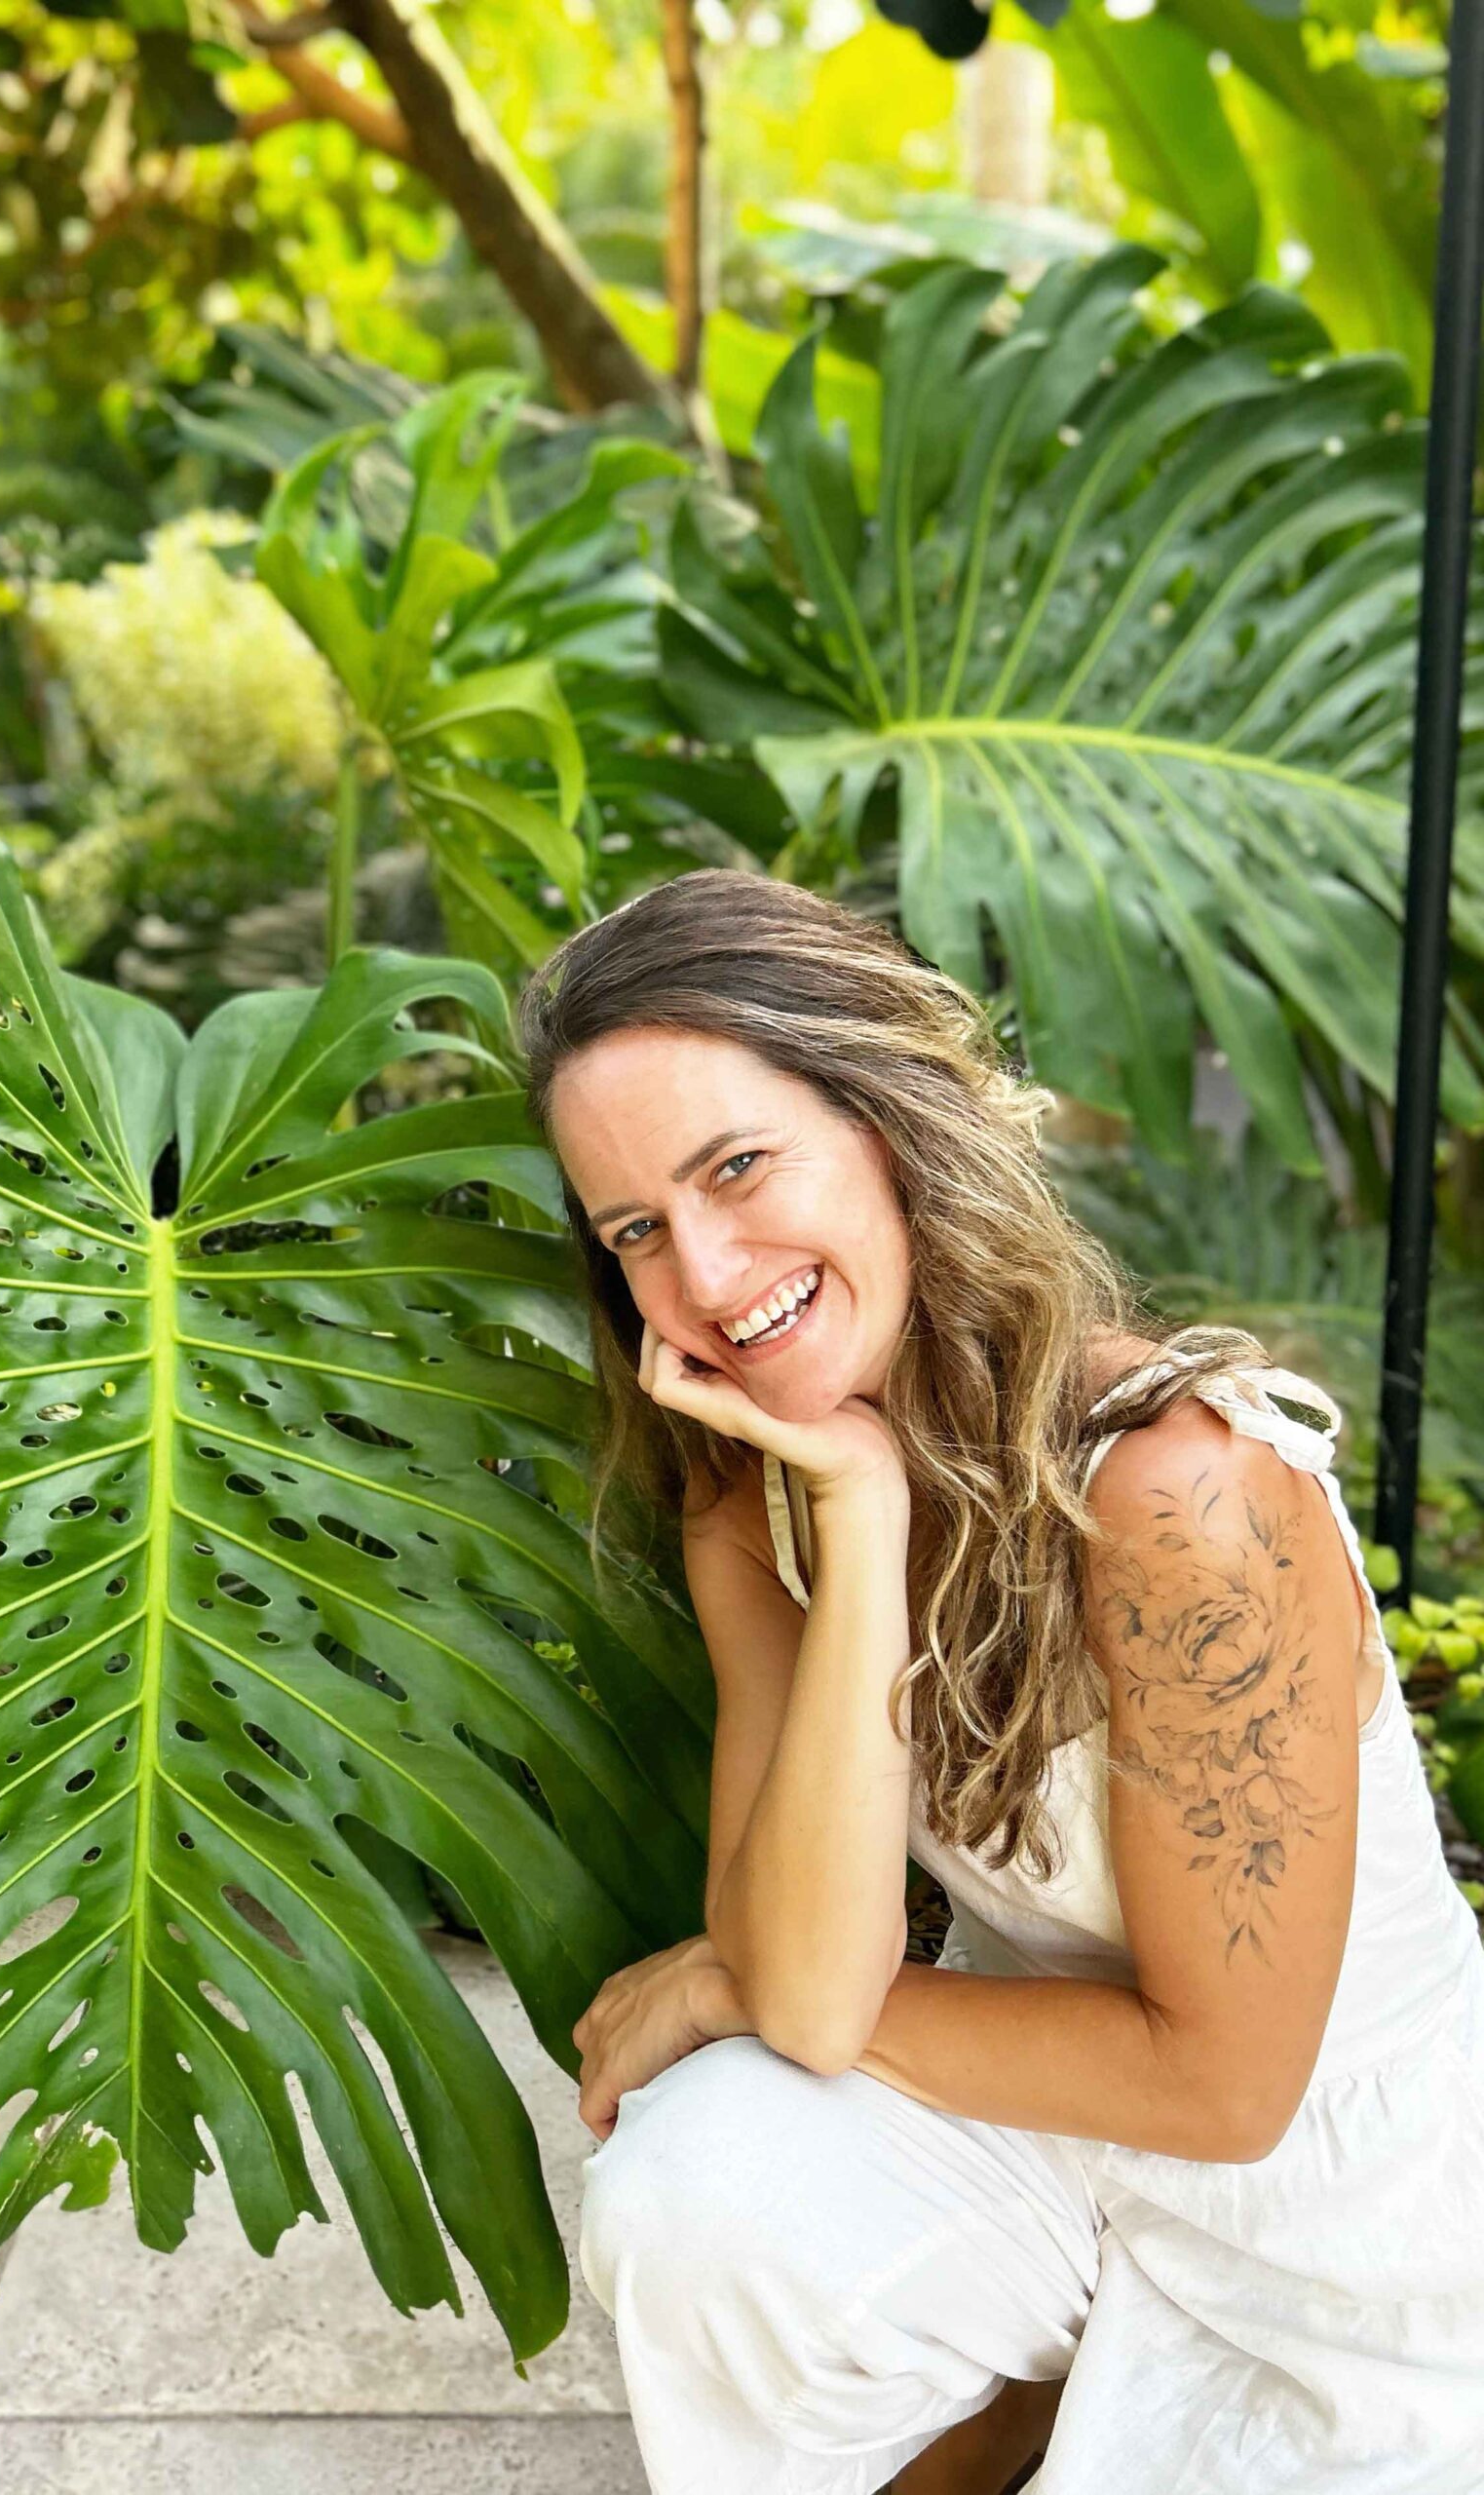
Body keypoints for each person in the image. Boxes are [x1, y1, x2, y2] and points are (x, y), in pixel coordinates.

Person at [512, 871, 1484, 2495]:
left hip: (1335, 2211)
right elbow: (812, 1976)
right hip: (1038, 2137)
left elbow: (1228, 2087)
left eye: (738, 1167)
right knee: (695, 2187)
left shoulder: (1182, 1498)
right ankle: (1021, 2408)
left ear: (889, 1123)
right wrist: (865, 1513)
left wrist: (744, 1985)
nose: (705, 1271)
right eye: (637, 1232)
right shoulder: (759, 1487)